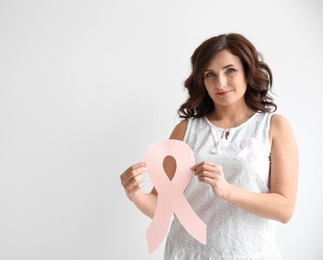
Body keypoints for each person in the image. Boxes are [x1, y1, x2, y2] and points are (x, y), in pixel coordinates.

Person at [120, 33, 298, 259]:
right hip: (188, 253)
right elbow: (162, 207)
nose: (220, 83)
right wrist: (135, 193)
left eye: (230, 70)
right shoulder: (185, 130)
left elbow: (284, 209)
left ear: (247, 71)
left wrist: (228, 190)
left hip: (250, 253)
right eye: (210, 74)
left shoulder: (273, 127)